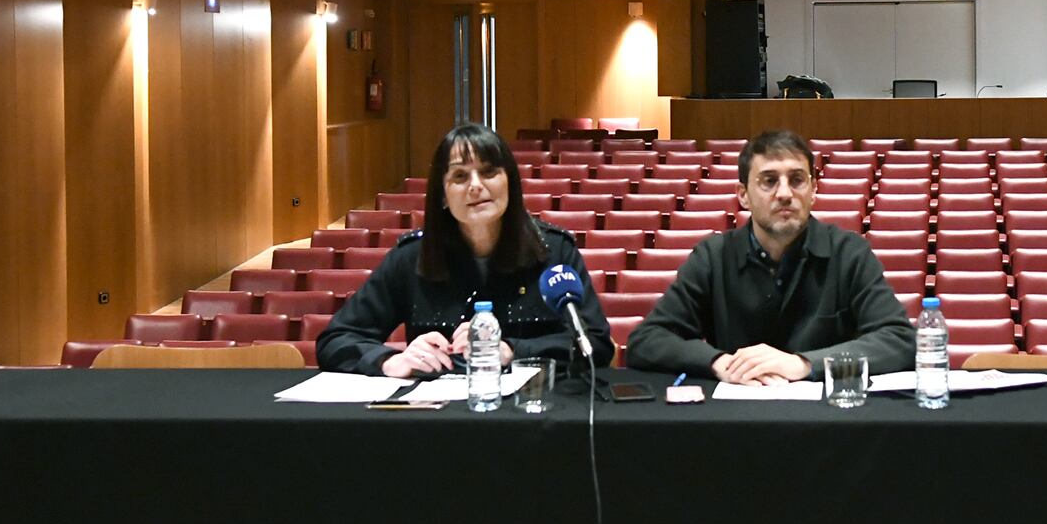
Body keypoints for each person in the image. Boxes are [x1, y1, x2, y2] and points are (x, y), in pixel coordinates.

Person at [317, 123, 611, 376]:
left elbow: (595, 344)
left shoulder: (554, 252)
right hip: (437, 422)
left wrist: (512, 350)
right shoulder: (411, 257)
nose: (475, 186)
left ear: (510, 182)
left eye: (488, 172)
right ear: (443, 195)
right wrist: (388, 360)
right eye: (459, 177)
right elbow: (335, 340)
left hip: (532, 414)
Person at [626, 128, 915, 382]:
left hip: (829, 420)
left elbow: (900, 341)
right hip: (736, 420)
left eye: (797, 180)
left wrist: (804, 364)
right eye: (769, 181)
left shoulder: (849, 253)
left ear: (813, 190)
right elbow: (647, 340)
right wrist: (718, 362)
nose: (785, 193)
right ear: (743, 195)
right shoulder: (713, 257)